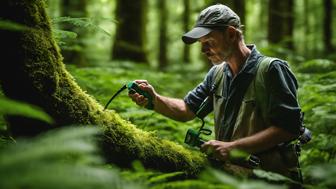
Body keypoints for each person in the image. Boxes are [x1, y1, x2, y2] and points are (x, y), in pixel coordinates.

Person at [129, 3, 303, 184]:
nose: (203, 50)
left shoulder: (271, 70)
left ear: (231, 34)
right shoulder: (217, 74)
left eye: (208, 42)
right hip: (228, 179)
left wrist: (234, 148)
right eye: (201, 44)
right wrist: (154, 99)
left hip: (270, 181)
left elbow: (289, 128)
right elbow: (186, 109)